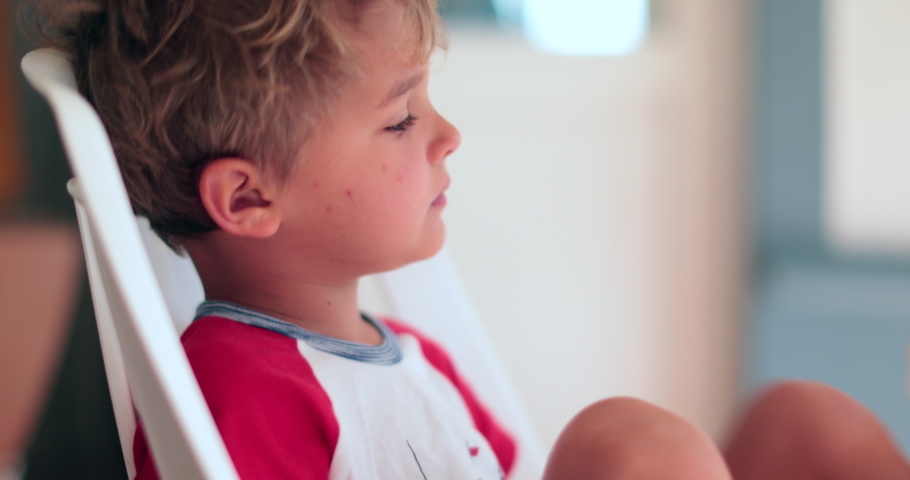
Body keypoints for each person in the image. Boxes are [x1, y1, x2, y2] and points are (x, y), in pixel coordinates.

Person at [32, 0, 910, 478]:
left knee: (800, 423)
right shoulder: (234, 387)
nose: (446, 136)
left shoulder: (410, 358)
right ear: (250, 196)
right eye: (400, 119)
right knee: (630, 450)